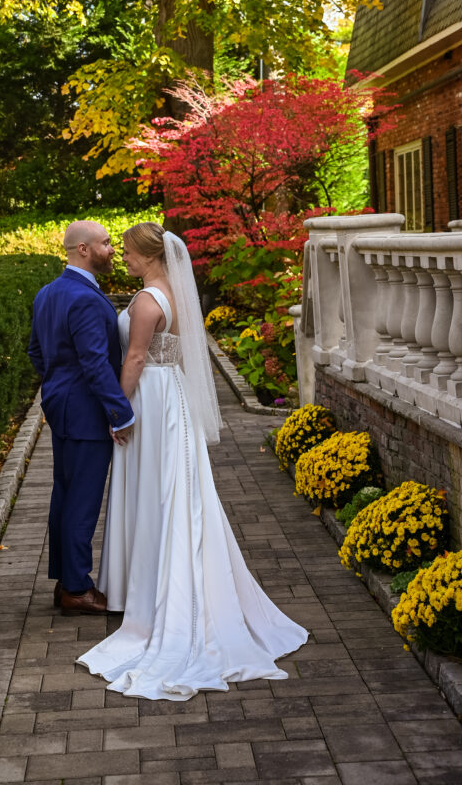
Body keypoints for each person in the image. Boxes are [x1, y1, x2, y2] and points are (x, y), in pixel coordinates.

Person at [77, 222, 308, 699]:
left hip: (150, 397)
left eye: (128, 252)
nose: (123, 258)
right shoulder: (175, 293)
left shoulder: (146, 300)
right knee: (177, 489)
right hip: (172, 398)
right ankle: (163, 581)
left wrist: (117, 412)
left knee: (155, 491)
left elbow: (136, 358)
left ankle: (156, 593)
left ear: (149, 254)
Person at [27, 220, 134, 616]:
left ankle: (66, 580)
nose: (112, 250)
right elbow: (95, 363)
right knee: (82, 500)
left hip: (62, 406)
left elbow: (36, 352)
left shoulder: (48, 292)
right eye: (106, 244)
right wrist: (120, 412)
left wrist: (57, 384)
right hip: (86, 412)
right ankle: (75, 587)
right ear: (84, 250)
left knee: (66, 494)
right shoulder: (86, 298)